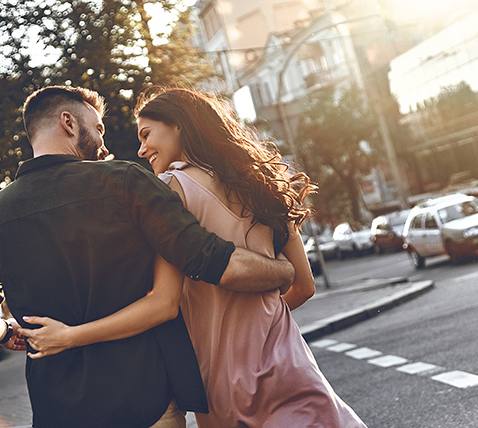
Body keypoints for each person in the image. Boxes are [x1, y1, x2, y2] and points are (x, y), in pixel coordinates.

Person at [20, 86, 368, 427]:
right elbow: (303, 286)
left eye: (146, 134)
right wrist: (254, 322)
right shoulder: (265, 184)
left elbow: (161, 299)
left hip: (218, 375)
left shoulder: (169, 190)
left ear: (178, 125)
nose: (141, 150)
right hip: (288, 364)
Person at [0, 85, 296, 428]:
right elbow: (213, 261)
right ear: (69, 123)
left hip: (59, 412)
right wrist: (284, 273)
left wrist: (2, 333)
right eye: (98, 128)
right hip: (146, 403)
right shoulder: (126, 182)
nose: (104, 144)